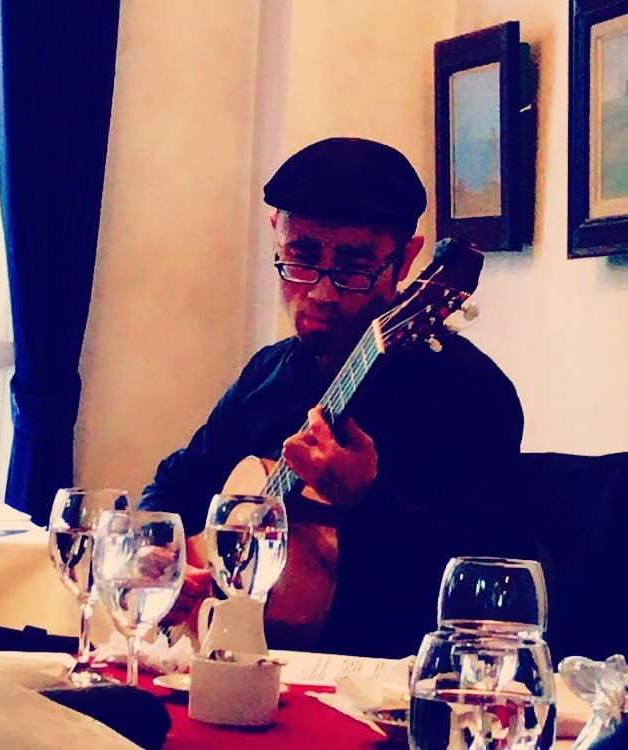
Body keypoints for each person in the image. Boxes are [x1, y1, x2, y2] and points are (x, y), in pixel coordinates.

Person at [139, 137, 526, 658]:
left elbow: (488, 588)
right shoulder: (267, 374)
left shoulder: (471, 393)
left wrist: (365, 503)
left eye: (354, 267)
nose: (321, 292)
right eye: (301, 258)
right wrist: (162, 556)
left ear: (406, 260)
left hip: (390, 680)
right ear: (276, 235)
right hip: (245, 667)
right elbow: (176, 482)